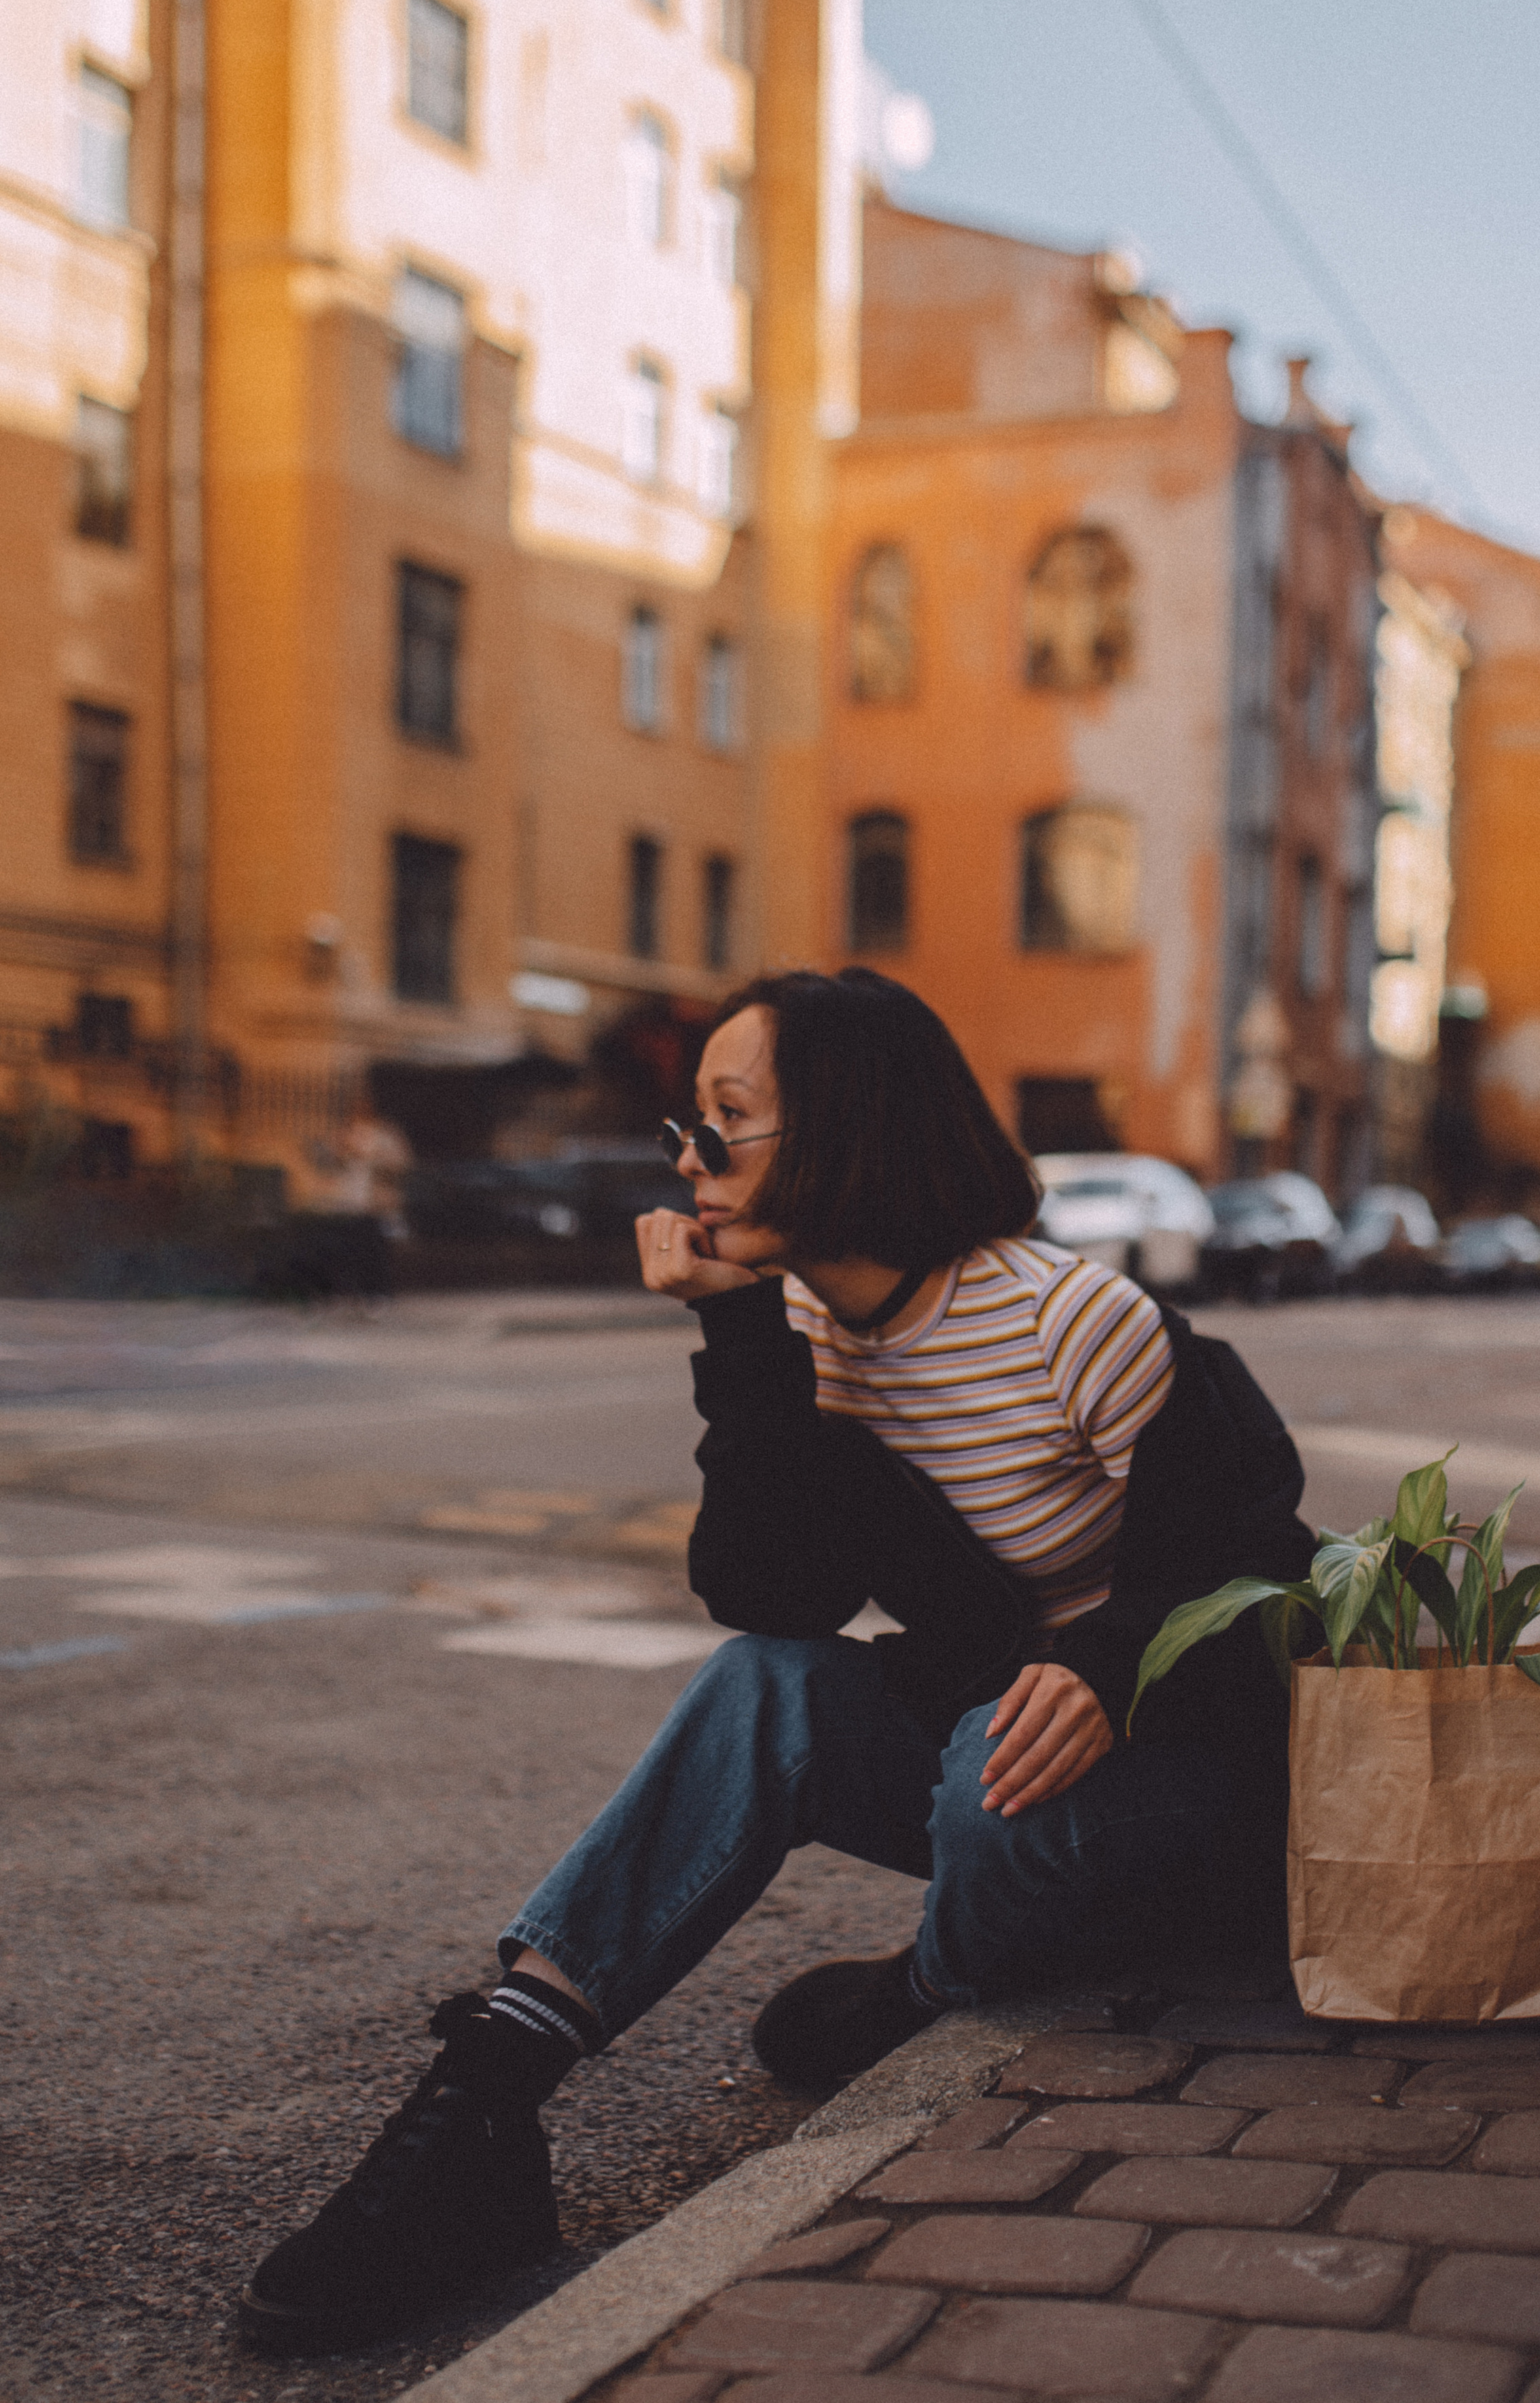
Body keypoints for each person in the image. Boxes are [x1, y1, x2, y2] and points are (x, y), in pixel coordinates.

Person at [238, 969, 1312, 2355]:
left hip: (1179, 1769)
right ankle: (482, 2105)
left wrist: (1108, 1665)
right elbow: (771, 1594)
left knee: (994, 1759)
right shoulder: (798, 1328)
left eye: (728, 1121)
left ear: (846, 1129)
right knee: (763, 1685)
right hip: (993, 1760)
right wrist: (736, 1331)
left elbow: (1263, 1565)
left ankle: (916, 1993)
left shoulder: (1071, 1324)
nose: (689, 1159)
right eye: (689, 1124)